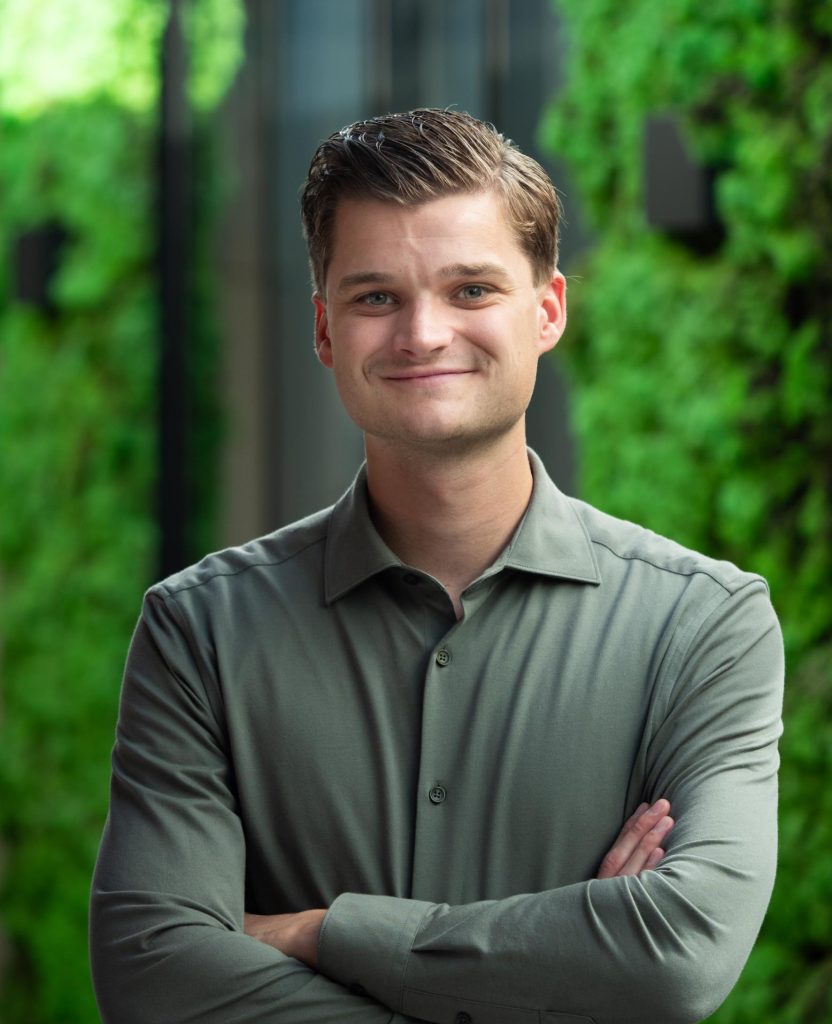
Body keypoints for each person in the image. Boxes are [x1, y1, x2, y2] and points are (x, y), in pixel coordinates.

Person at [90, 108, 783, 1024]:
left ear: (548, 310)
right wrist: (569, 963)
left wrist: (324, 933)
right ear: (325, 329)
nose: (422, 333)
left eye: (471, 290)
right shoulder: (200, 631)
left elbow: (677, 956)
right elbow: (153, 973)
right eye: (377, 297)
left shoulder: (705, 625)